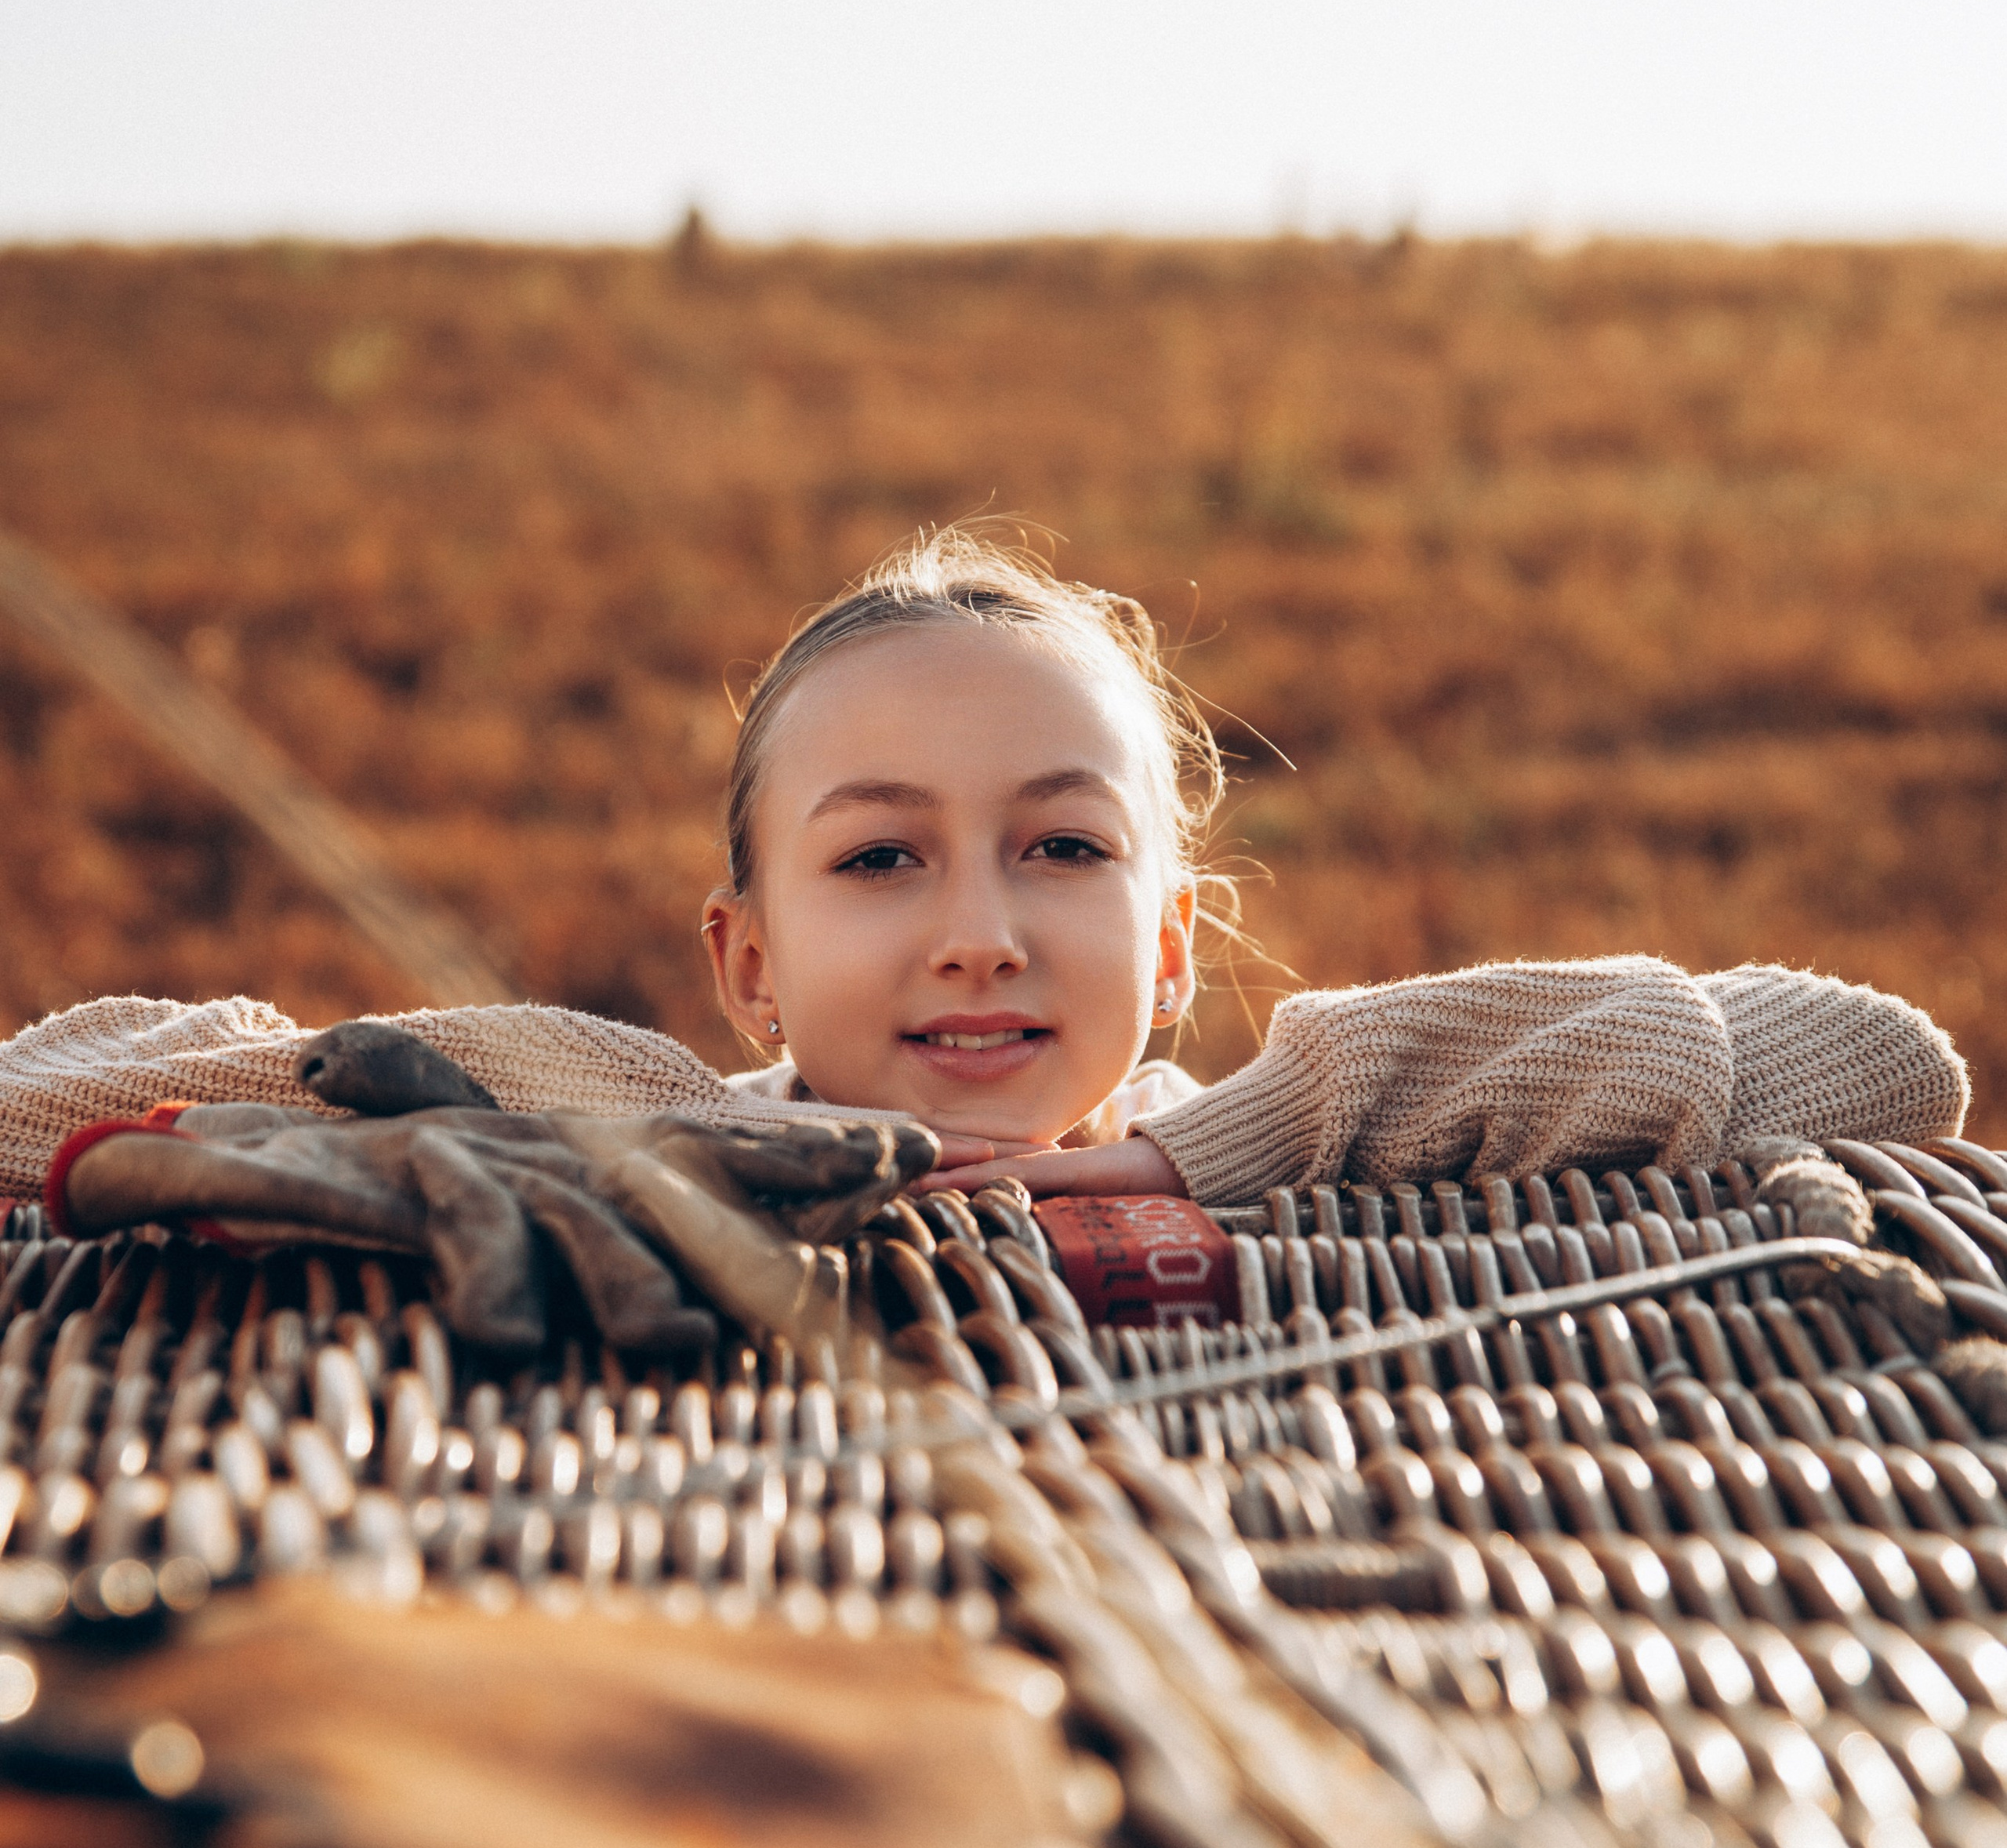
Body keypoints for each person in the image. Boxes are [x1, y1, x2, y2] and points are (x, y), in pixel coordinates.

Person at [0, 532, 1970, 1239]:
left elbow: (1875, 1066)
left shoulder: (1266, 1135)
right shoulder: (638, 1122)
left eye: (1063, 847)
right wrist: (531, 1088)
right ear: (747, 961)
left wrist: (1229, 1150)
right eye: (879, 858)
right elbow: (51, 1090)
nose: (979, 927)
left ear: (1172, 936)